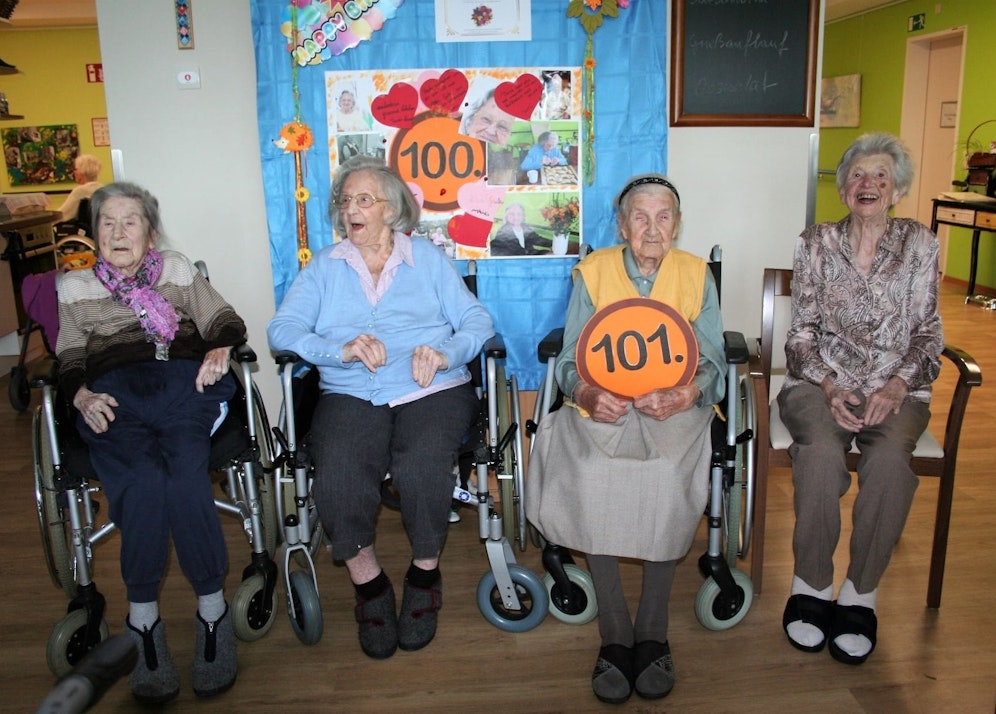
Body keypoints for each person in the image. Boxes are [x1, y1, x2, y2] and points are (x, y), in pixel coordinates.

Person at [267, 156, 494, 660]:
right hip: (350, 390)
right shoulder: (324, 267)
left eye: (364, 200)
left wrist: (445, 353)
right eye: (345, 200)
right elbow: (282, 330)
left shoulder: (427, 259)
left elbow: (476, 321)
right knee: (339, 474)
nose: (351, 209)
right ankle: (369, 585)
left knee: (422, 467)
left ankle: (424, 577)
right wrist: (339, 350)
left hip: (430, 387)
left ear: (391, 210)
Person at [526, 174, 725, 704]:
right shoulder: (593, 272)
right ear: (621, 225)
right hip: (604, 403)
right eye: (640, 217)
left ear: (677, 224)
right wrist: (586, 392)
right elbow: (570, 358)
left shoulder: (696, 275)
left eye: (663, 217)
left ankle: (653, 628)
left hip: (672, 405)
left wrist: (687, 394)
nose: (652, 229)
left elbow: (712, 362)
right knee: (594, 474)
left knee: (665, 475)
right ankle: (614, 630)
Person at [55, 181, 247, 703]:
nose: (118, 233)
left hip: (184, 389)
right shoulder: (74, 287)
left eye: (130, 222)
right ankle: (143, 620)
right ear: (94, 233)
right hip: (114, 398)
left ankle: (213, 611)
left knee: (185, 477)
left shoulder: (177, 269)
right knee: (141, 481)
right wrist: (80, 396)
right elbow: (69, 355)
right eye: (107, 223)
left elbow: (222, 317)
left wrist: (220, 348)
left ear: (151, 233)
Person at [778, 132, 943, 666]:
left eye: (880, 176)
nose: (867, 184)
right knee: (821, 455)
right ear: (843, 188)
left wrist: (896, 386)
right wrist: (829, 384)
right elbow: (800, 335)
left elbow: (929, 334)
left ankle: (860, 592)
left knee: (891, 462)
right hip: (818, 384)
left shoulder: (920, 244)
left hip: (897, 389)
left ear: (897, 190)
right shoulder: (816, 242)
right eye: (857, 175)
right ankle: (811, 584)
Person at [58, 154, 102, 222]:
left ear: (82, 172)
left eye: (76, 169)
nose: (74, 172)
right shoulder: (103, 189)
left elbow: (63, 215)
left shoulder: (80, 191)